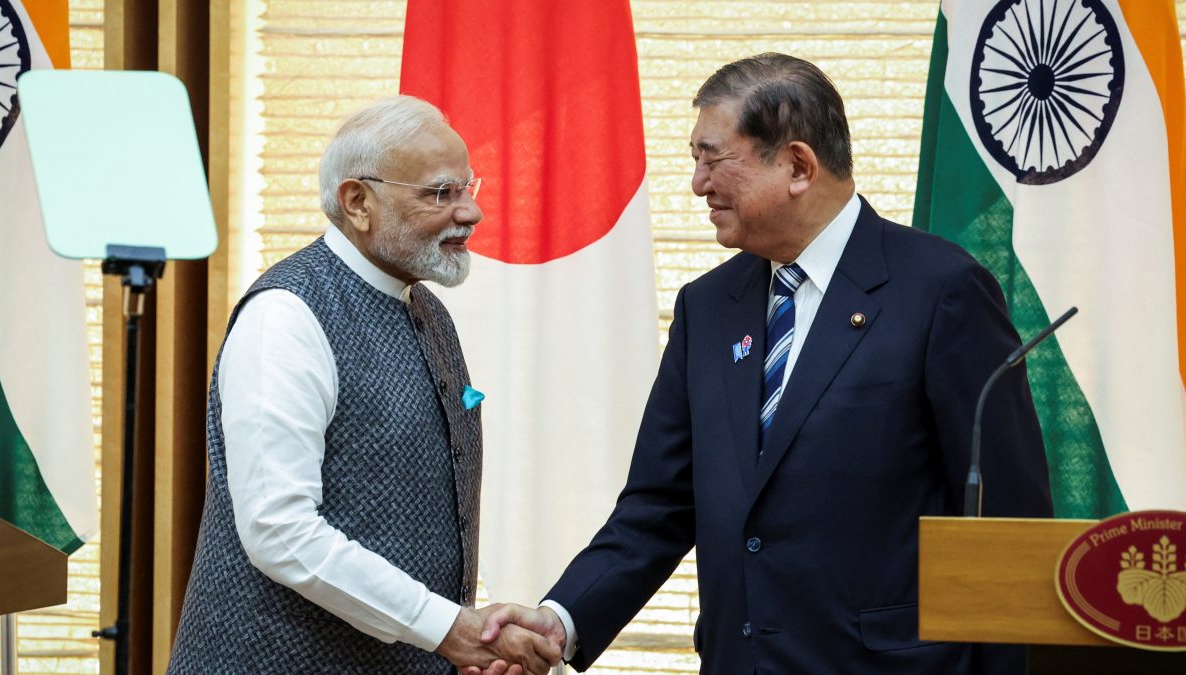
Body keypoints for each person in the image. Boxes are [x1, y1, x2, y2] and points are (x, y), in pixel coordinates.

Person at [475, 53, 1053, 674]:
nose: (697, 182)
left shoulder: (941, 290)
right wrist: (561, 620)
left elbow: (1007, 521)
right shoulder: (708, 307)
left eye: (713, 157)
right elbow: (658, 505)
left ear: (798, 165)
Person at [168, 96, 559, 674]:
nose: (471, 213)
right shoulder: (286, 316)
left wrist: (457, 646)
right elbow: (280, 532)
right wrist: (451, 629)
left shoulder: (425, 308)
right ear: (358, 202)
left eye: (469, 188)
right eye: (441, 193)